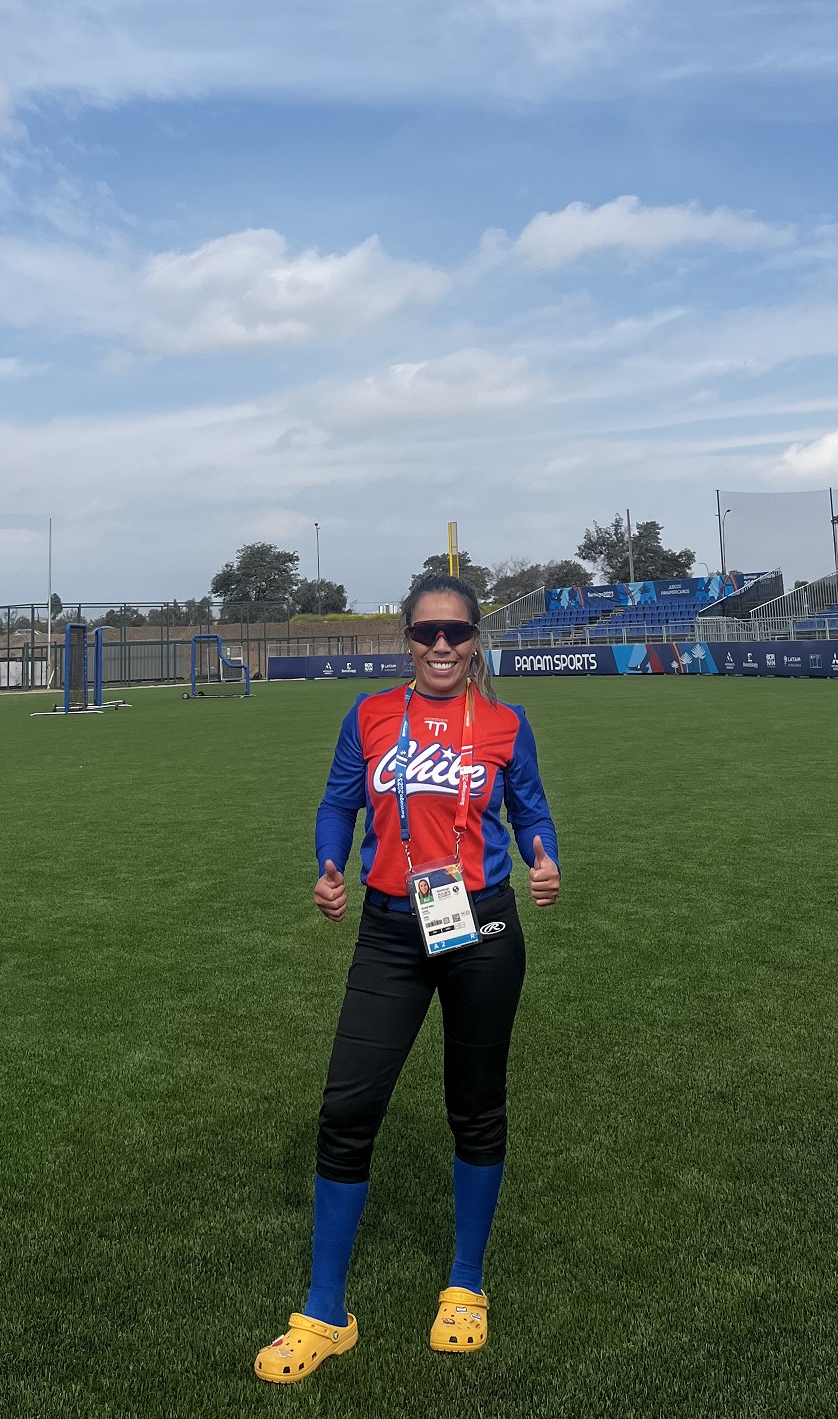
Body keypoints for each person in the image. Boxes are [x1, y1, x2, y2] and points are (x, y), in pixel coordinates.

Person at [254, 574, 561, 1383]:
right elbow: (337, 804)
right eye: (427, 632)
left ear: (476, 640)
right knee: (347, 1108)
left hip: (483, 928)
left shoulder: (505, 724)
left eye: (457, 632)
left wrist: (544, 855)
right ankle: (325, 1312)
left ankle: (465, 1284)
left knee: (475, 1106)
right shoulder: (370, 716)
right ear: (408, 639)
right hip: (392, 929)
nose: (442, 645)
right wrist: (329, 865)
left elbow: (529, 809)